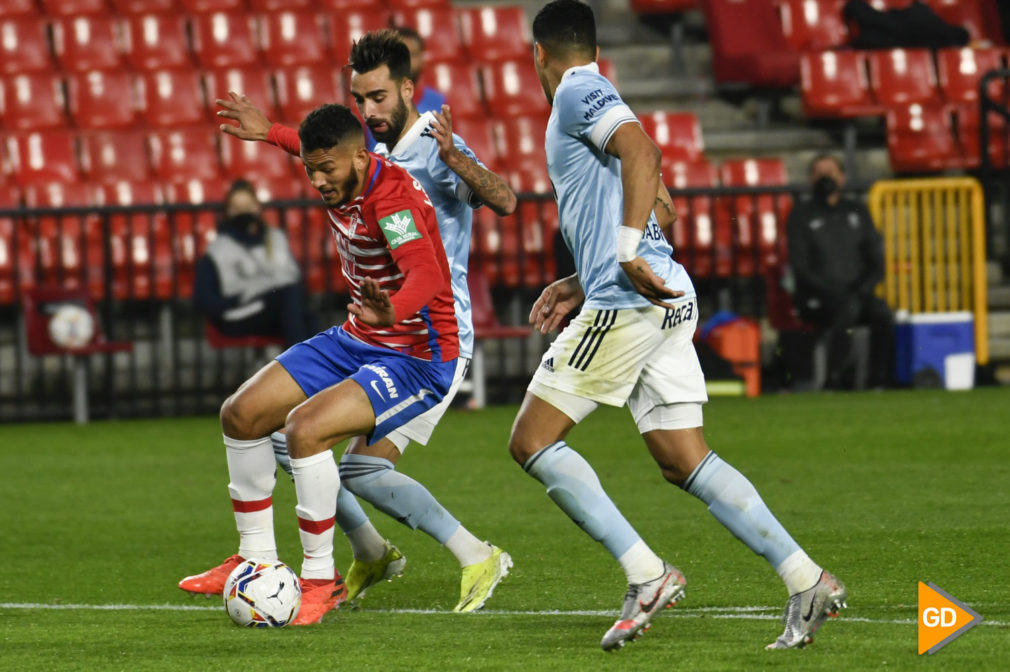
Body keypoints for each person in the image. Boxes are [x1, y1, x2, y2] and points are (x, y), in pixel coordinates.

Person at [508, 0, 847, 652]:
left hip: (629, 302)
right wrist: (581, 277)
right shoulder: (600, 95)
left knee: (531, 441)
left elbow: (644, 153)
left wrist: (627, 251)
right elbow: (650, 181)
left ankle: (646, 574)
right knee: (682, 458)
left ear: (538, 54)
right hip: (659, 297)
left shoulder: (578, 91)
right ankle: (806, 578)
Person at [201, 30, 518, 611]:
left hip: (427, 339)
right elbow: (330, 156)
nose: (367, 111)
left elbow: (504, 203)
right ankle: (356, 551)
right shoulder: (357, 154)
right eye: (358, 99)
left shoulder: (435, 148)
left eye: (377, 98)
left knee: (354, 465)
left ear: (405, 89)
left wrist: (460, 164)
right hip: (371, 329)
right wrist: (270, 132)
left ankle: (473, 554)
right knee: (270, 427)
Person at [785, 154, 893, 389]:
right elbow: (801, 269)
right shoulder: (801, 216)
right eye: (820, 173)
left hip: (857, 293)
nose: (826, 178)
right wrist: (835, 292)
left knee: (882, 313)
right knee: (847, 309)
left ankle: (878, 380)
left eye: (831, 172)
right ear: (811, 179)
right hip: (818, 297)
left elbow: (876, 261)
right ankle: (836, 379)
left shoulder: (857, 211)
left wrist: (862, 289)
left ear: (842, 178)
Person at [193, 179, 319, 347]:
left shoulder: (276, 238)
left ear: (258, 208)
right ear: (228, 212)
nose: (243, 211)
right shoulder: (218, 249)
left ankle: (314, 368)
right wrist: (235, 300)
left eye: (248, 205)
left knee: (306, 313)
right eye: (237, 207)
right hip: (237, 315)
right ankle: (301, 368)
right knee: (292, 302)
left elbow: (295, 278)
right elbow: (203, 299)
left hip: (277, 308)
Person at [395, 25, 447, 115]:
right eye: (401, 55)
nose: (407, 61)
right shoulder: (373, 102)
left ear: (422, 59)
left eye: (413, 54)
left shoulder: (440, 104)